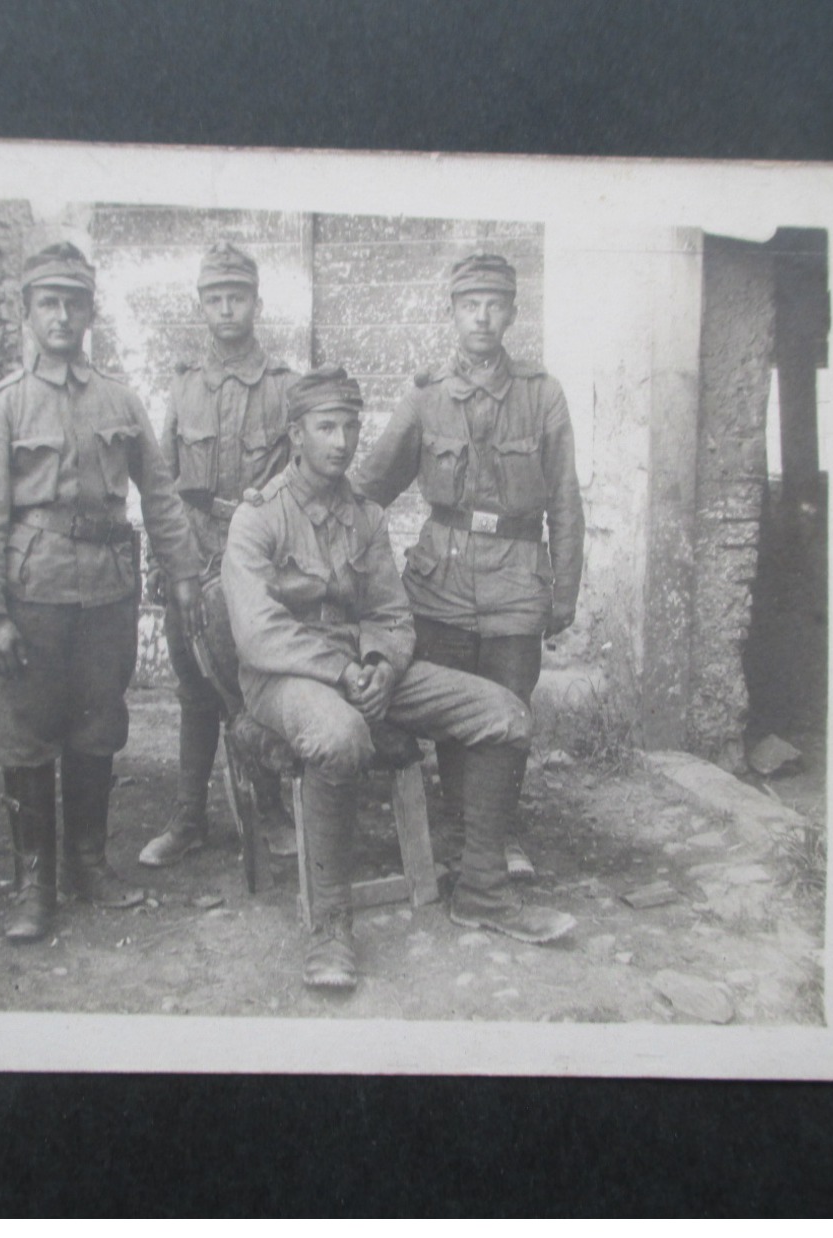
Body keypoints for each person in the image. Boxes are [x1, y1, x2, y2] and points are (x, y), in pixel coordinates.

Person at [222, 365, 576, 990]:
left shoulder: (366, 516)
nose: (341, 441)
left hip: (365, 668)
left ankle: (483, 892)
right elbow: (257, 633)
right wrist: (341, 668)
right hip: (285, 678)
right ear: (296, 435)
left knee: (504, 714)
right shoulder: (258, 518)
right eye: (325, 427)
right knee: (338, 736)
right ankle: (331, 928)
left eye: (350, 427)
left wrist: (383, 664)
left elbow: (391, 612)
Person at [0, 242, 205, 943]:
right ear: (28, 312)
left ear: (90, 312)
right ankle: (33, 885)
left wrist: (183, 574)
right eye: (48, 302)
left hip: (107, 593)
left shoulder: (119, 399)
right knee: (27, 734)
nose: (62, 315)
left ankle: (90, 865)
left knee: (99, 725)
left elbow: (158, 494)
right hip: (32, 593)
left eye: (74, 302)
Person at [351, 252, 585, 880]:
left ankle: (498, 836)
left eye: (494, 304)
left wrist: (564, 589)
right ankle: (462, 831)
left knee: (509, 707)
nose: (481, 317)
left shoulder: (543, 395)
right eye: (469, 304)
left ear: (511, 312)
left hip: (516, 579)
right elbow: (371, 484)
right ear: (452, 312)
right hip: (441, 580)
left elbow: (564, 496)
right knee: (454, 714)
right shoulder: (426, 399)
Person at [138, 243, 299, 868]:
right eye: (214, 298)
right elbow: (163, 482)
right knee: (193, 687)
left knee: (256, 679)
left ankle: (272, 804)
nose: (226, 309)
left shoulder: (285, 387)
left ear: (257, 303)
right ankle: (188, 817)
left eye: (237, 297)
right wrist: (166, 561)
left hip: (258, 556)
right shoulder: (183, 389)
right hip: (195, 549)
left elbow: (302, 473)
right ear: (201, 306)